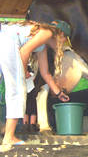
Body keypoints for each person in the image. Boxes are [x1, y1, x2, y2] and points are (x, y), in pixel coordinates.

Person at [0, 20, 71, 148]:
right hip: (6, 42)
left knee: (17, 85)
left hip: (3, 38)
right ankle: (9, 136)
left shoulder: (41, 44)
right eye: (64, 40)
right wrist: (24, 71)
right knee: (18, 89)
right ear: (59, 34)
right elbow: (24, 51)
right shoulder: (48, 32)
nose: (62, 44)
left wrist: (59, 93)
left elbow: (45, 73)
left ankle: (7, 133)